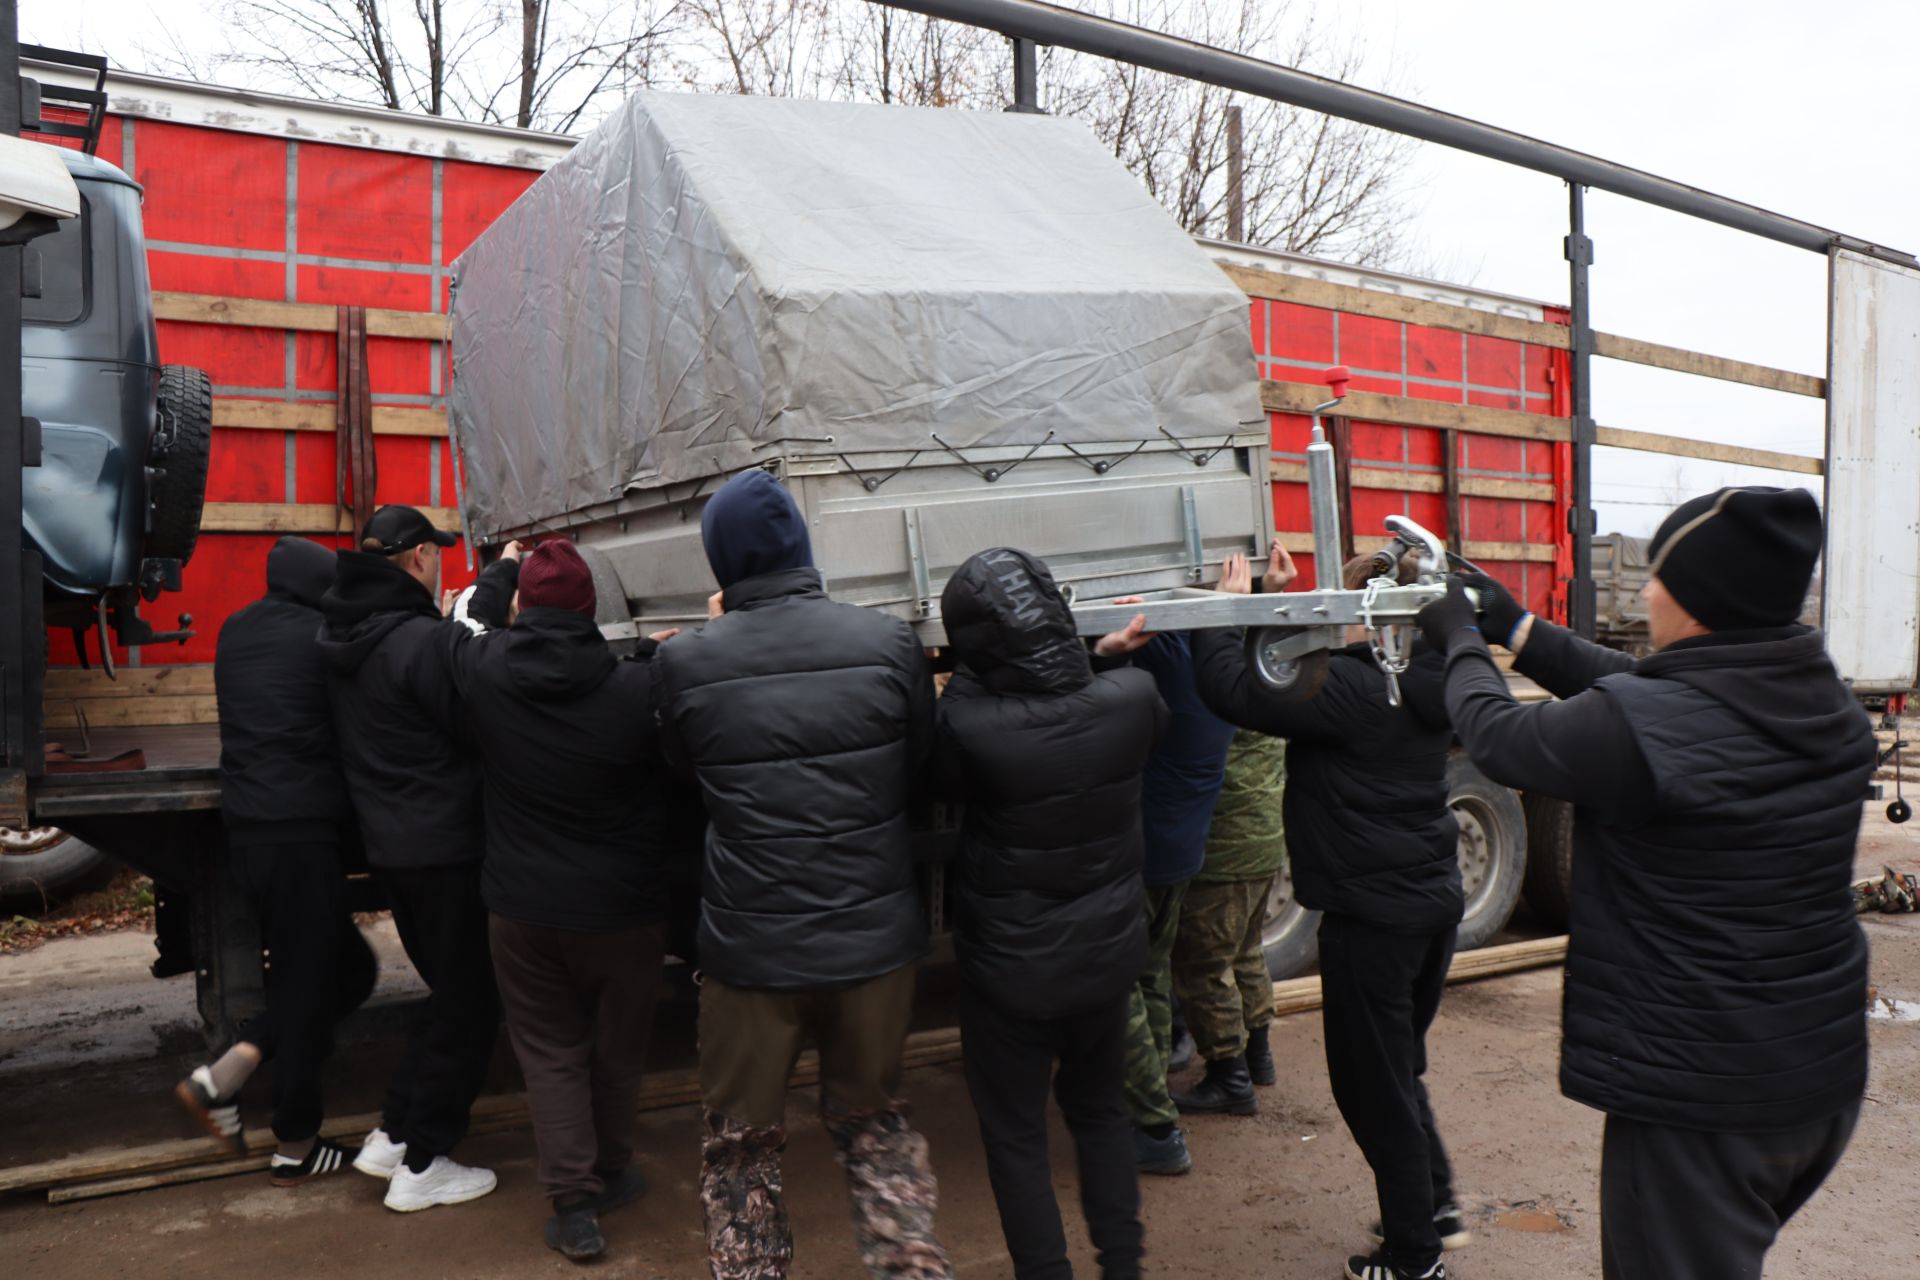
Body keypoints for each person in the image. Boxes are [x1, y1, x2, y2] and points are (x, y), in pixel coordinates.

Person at [1416, 486, 1874, 1280]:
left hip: (1703, 1106)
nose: (1647, 590)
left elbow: (1496, 736)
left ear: (1697, 600)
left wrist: (1457, 636)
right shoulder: (1821, 698)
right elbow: (1643, 692)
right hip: (1813, 1080)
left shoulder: (1647, 727)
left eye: (1658, 575)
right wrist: (1515, 627)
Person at [651, 469, 952, 1280]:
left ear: (722, 563)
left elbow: (686, 775)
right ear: (802, 547)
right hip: (875, 945)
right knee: (878, 1132)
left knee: (742, 1157)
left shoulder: (686, 665)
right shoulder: (889, 643)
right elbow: (916, 767)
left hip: (752, 954)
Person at [1196, 547, 1467, 1280]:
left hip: (1372, 918)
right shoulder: (1435, 680)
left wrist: (1233, 609)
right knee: (1398, 1068)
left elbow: (1233, 691)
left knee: (1371, 1086)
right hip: (1428, 905)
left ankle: (1415, 1257)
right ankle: (1434, 1204)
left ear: (1368, 618)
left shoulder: (1352, 692)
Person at [443, 539, 704, 1261]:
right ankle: (614, 1170)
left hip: (523, 909)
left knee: (550, 1052)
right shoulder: (638, 688)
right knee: (618, 1048)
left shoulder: (486, 670)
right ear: (593, 610)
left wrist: (503, 565)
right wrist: (656, 653)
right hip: (625, 908)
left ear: (523, 605)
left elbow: (465, 618)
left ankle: (573, 1205)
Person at [932, 547, 1167, 1280]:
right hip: (1106, 960)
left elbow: (945, 757)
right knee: (1099, 1115)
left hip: (1012, 973)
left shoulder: (968, 726)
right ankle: (1122, 1267)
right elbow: (1067, 709)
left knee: (1015, 1137)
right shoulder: (1133, 699)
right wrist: (1093, 658)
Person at [317, 504, 520, 1212]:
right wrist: (502, 586)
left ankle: (396, 1135)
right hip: (448, 846)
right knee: (471, 1001)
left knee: (452, 992)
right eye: (434, 552)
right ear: (418, 560)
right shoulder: (416, 640)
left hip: (394, 848)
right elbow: (476, 706)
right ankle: (426, 1162)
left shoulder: (343, 633)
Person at [175, 536, 377, 1184]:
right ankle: (291, 1140)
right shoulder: (320, 635)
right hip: (301, 834)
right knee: (311, 981)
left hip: (251, 834)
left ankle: (235, 1071)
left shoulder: (236, 630)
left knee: (342, 968)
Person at [1123, 550, 1280, 1174]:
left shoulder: (1191, 679)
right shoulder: (1249, 676)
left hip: (1191, 849)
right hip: (1226, 846)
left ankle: (1225, 1077)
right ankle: (1252, 1056)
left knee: (1194, 966)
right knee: (1225, 955)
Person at [1169, 727, 1287, 1112]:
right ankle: (1257, 1057)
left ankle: (1229, 1077)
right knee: (1246, 950)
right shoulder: (1270, 679)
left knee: (1204, 966)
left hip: (1225, 849)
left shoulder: (1219, 686)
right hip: (1264, 837)